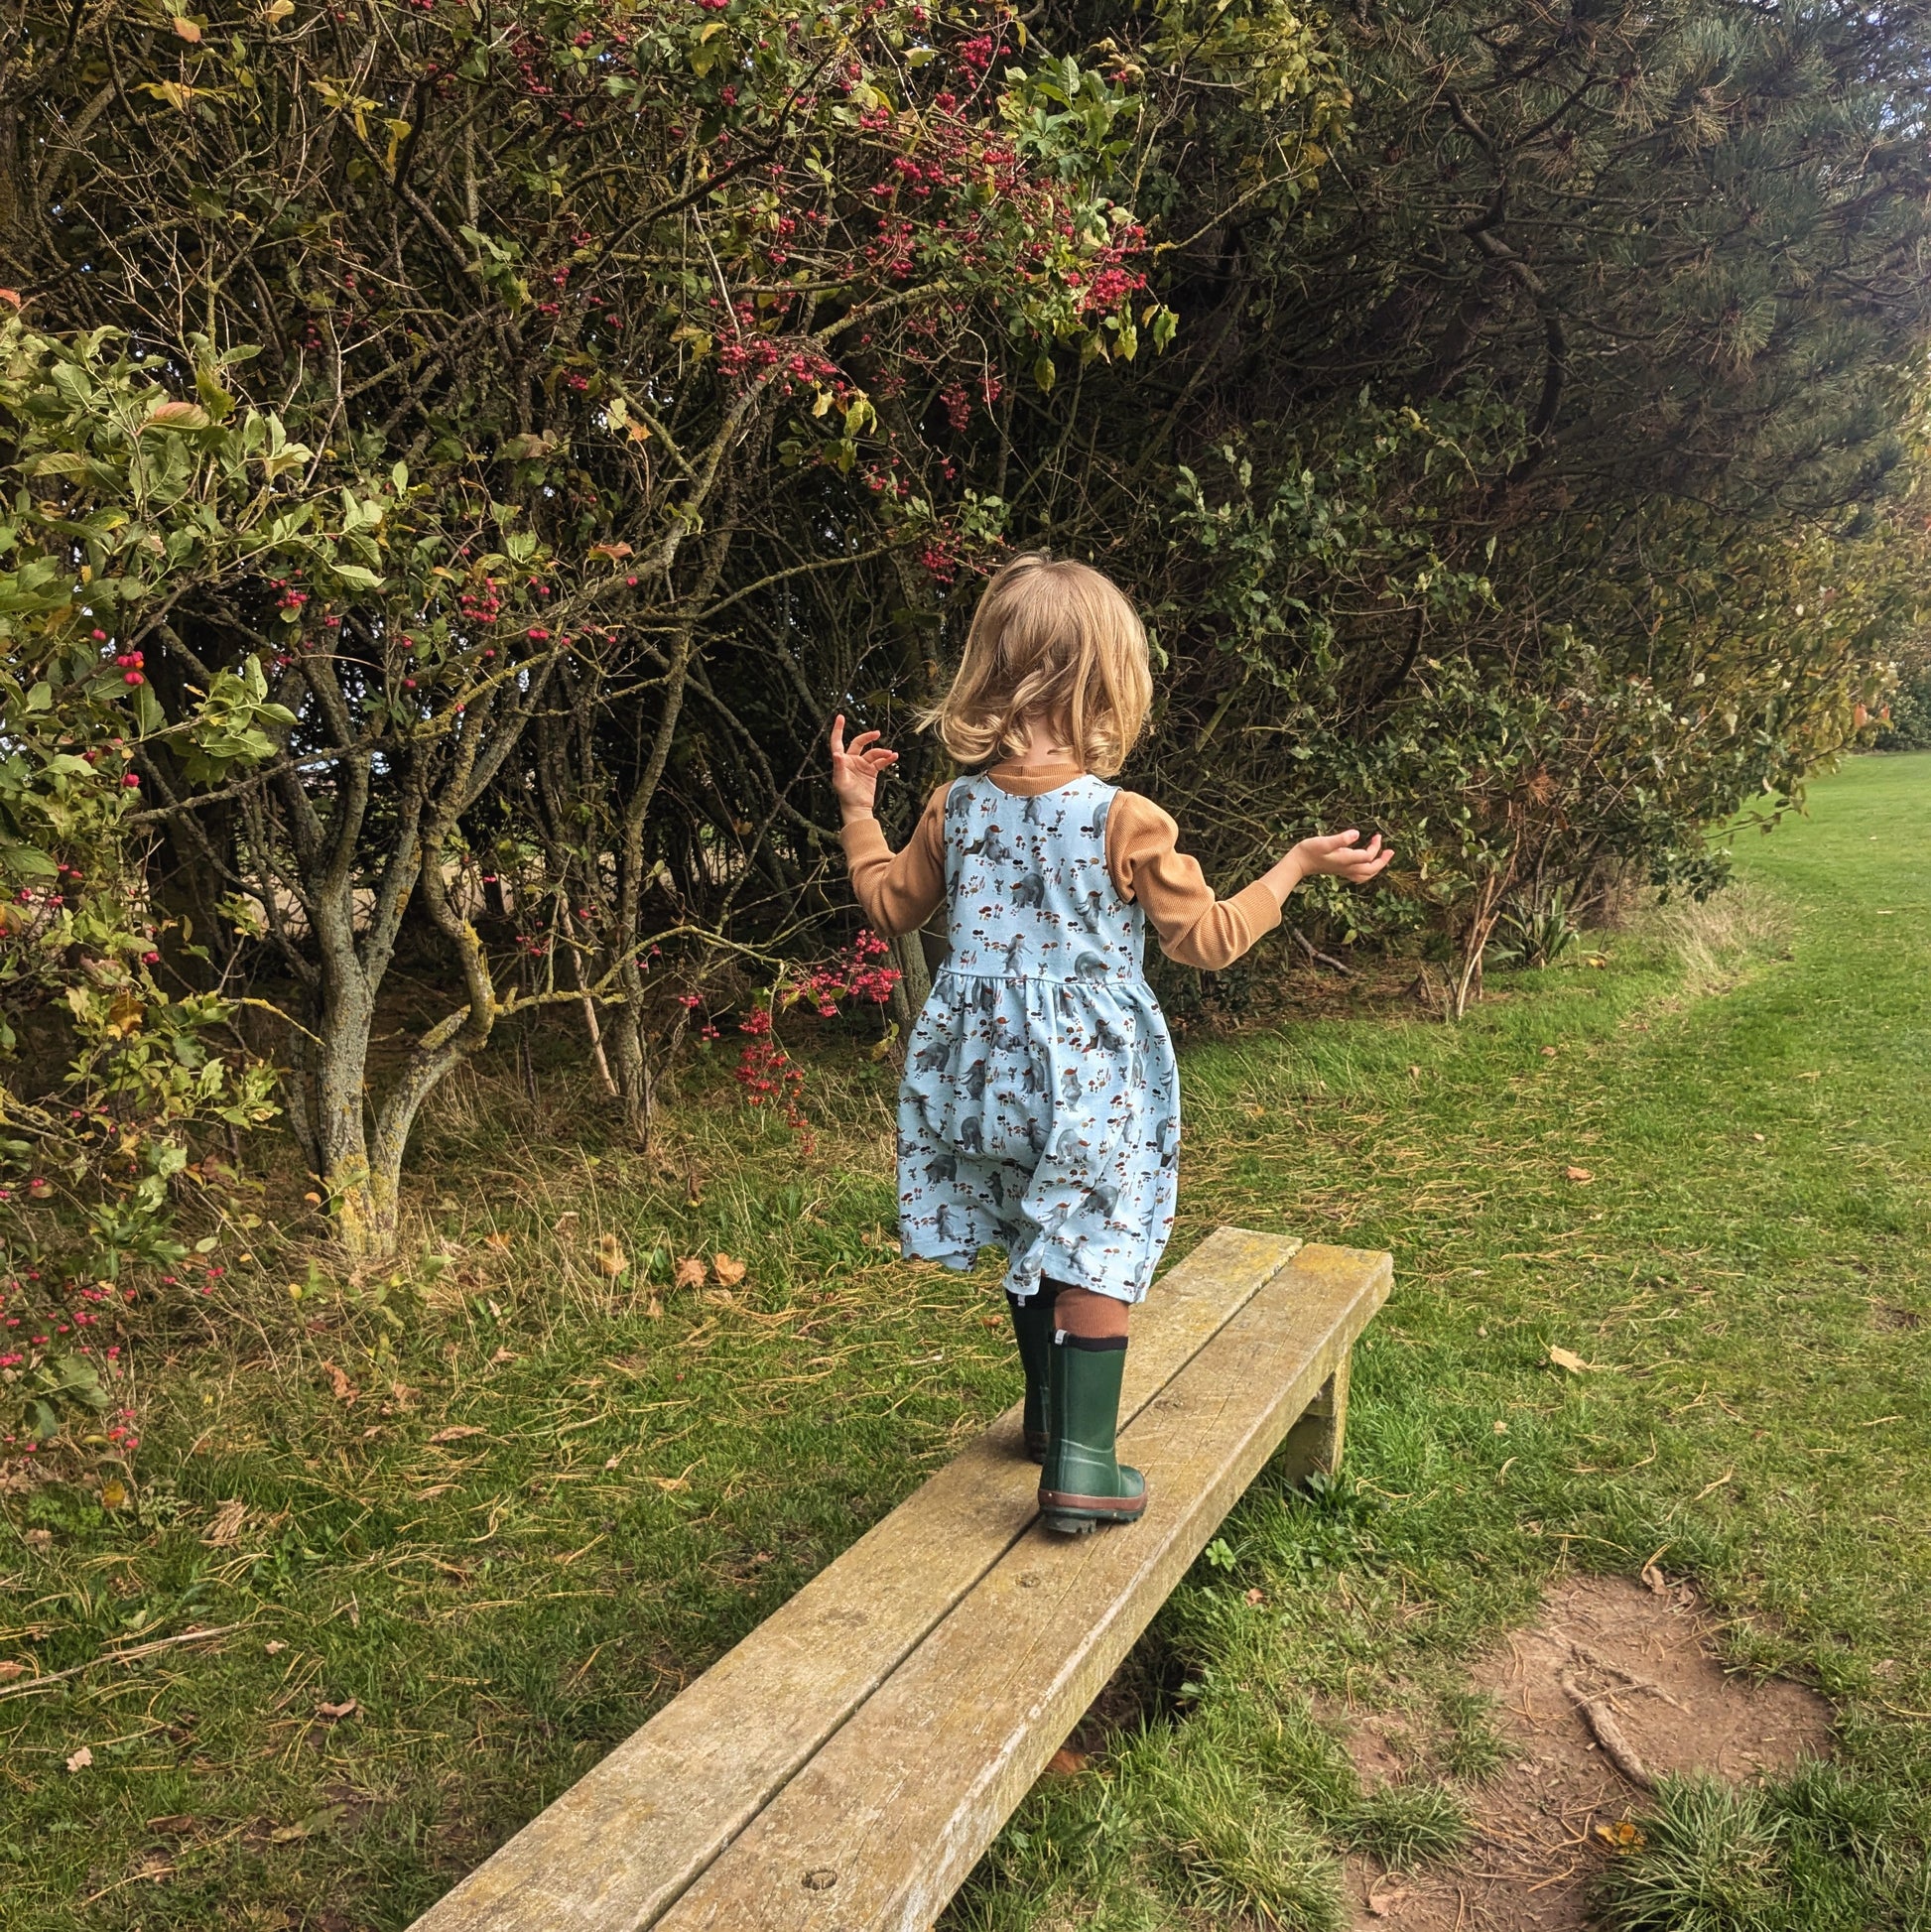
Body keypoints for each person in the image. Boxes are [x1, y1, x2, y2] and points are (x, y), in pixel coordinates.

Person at [829, 554, 1392, 1534]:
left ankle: (1048, 1419)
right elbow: (1207, 941)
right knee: (1093, 1240)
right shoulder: (1122, 818)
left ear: (990, 675)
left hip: (977, 1070)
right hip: (1086, 1074)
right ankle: (1085, 1463)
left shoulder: (952, 807)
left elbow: (890, 905)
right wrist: (1294, 867)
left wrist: (853, 812)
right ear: (1103, 680)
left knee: (1020, 1224)